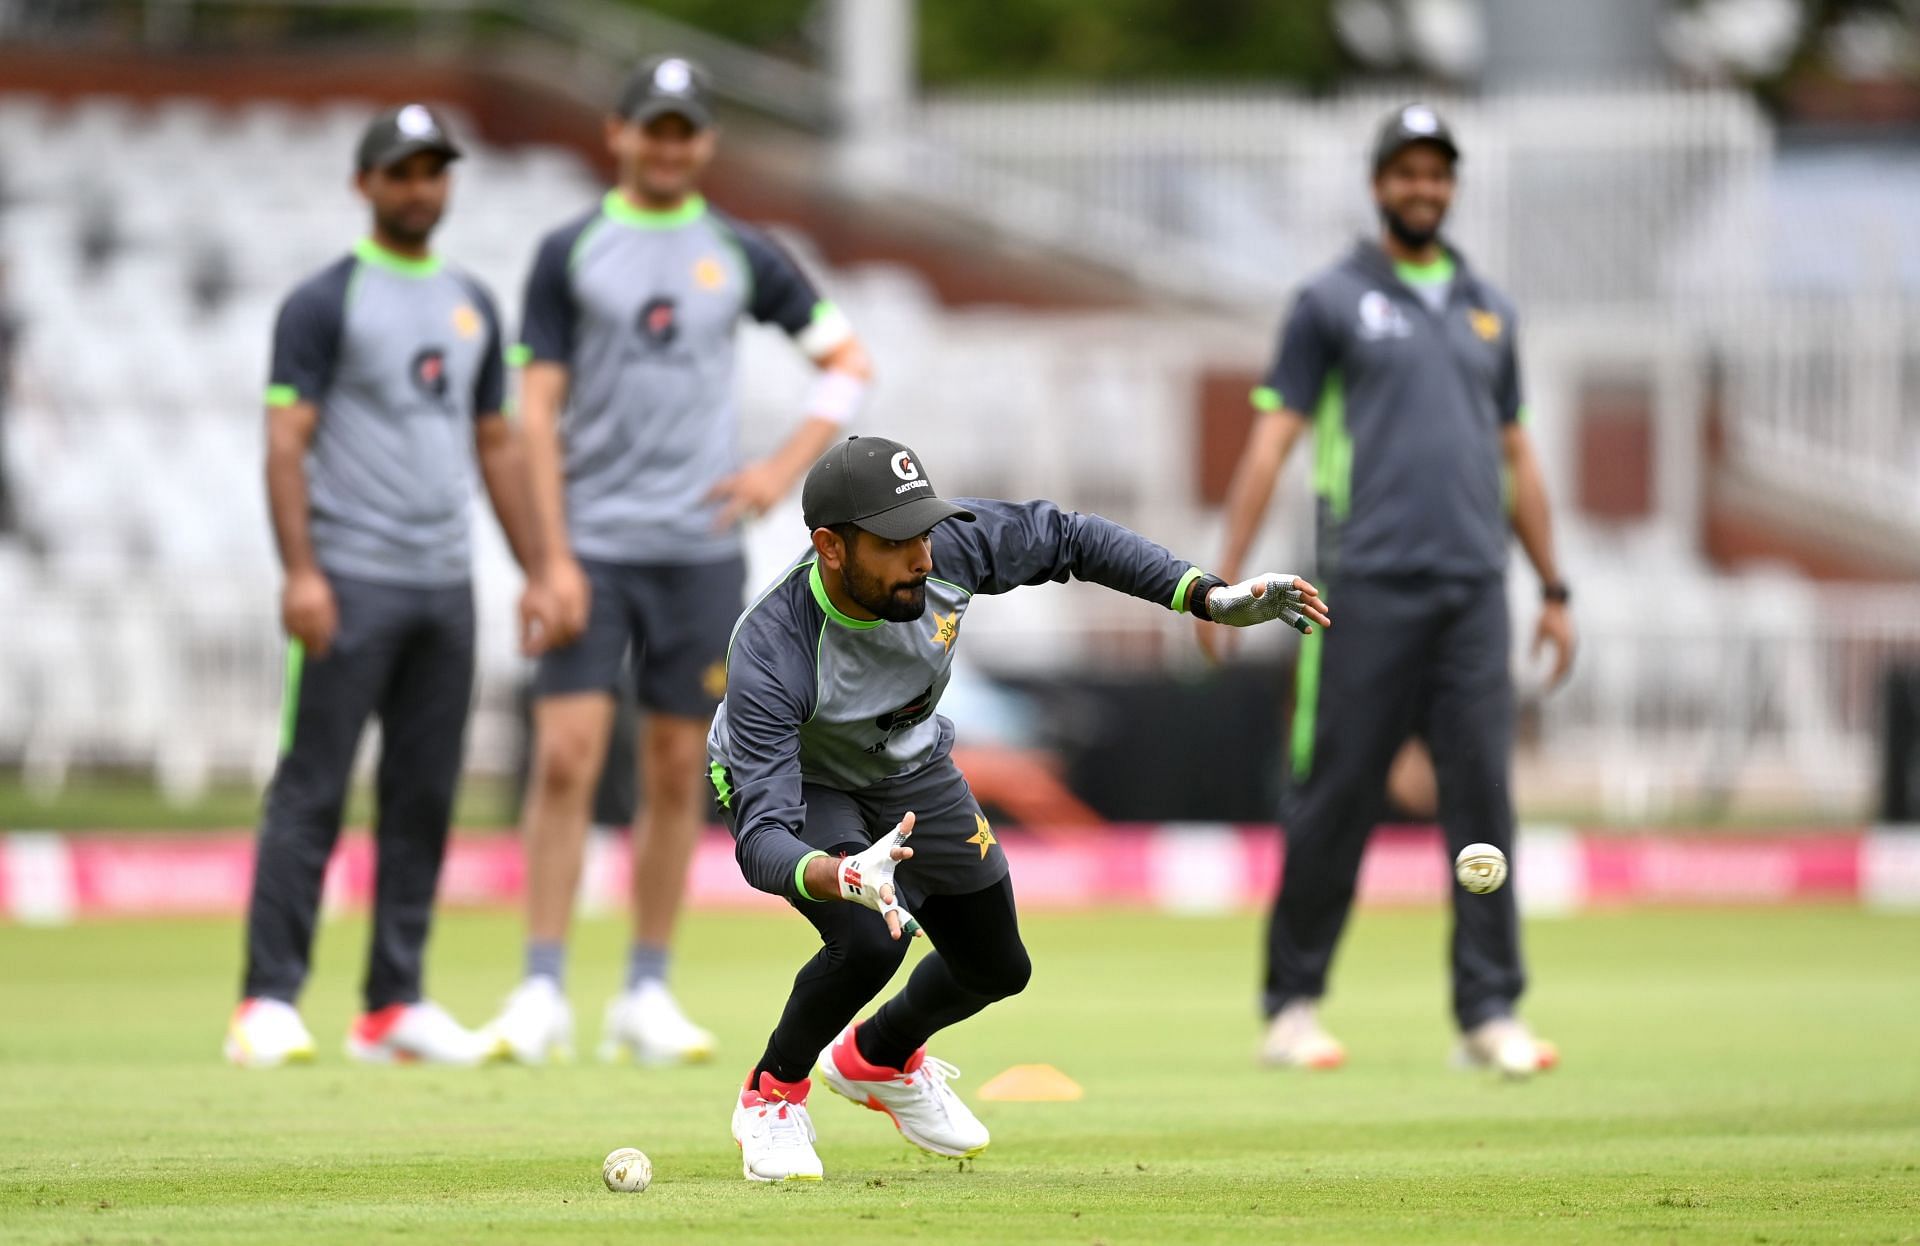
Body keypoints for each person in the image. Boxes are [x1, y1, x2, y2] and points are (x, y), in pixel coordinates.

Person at [712, 435, 1330, 1182]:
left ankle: (877, 1058)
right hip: (810, 782)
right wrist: (841, 874)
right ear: (830, 548)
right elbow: (763, 839)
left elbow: (1073, 538)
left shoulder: (951, 548)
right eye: (895, 542)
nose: (923, 557)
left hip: (907, 760)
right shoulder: (772, 648)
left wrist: (1206, 595)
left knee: (996, 965)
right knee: (872, 938)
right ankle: (772, 1094)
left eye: (925, 531)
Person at [484, 55, 874, 1066]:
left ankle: (645, 990)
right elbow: (534, 408)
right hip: (594, 549)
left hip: (698, 556)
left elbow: (845, 361)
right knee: (566, 756)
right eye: (650, 127)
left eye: (683, 129)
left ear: (704, 142)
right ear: (617, 132)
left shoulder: (740, 252)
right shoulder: (572, 251)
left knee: (674, 769)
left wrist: (778, 470)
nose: (667, 145)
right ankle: (539, 987)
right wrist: (548, 556)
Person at [1204, 103, 1576, 1077]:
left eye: (1438, 172)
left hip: (1472, 591)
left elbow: (1518, 454)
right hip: (1355, 590)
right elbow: (1272, 439)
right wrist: (1220, 583)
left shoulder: (1491, 308)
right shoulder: (1330, 299)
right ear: (1380, 184)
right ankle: (1292, 1005)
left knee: (1484, 801)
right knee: (1337, 795)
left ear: (1451, 185)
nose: (1424, 187)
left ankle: (1489, 1014)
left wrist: (1556, 586)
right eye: (1407, 171)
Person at [227, 105, 551, 1067]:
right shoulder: (324, 303)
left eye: (433, 171)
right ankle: (267, 1002)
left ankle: (392, 1005)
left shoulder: (470, 302)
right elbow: (285, 445)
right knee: (313, 788)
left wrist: (539, 568)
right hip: (350, 583)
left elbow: (495, 444)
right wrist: (302, 573)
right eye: (401, 172)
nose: (420, 188)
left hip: (443, 587)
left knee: (423, 793)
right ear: (363, 184)